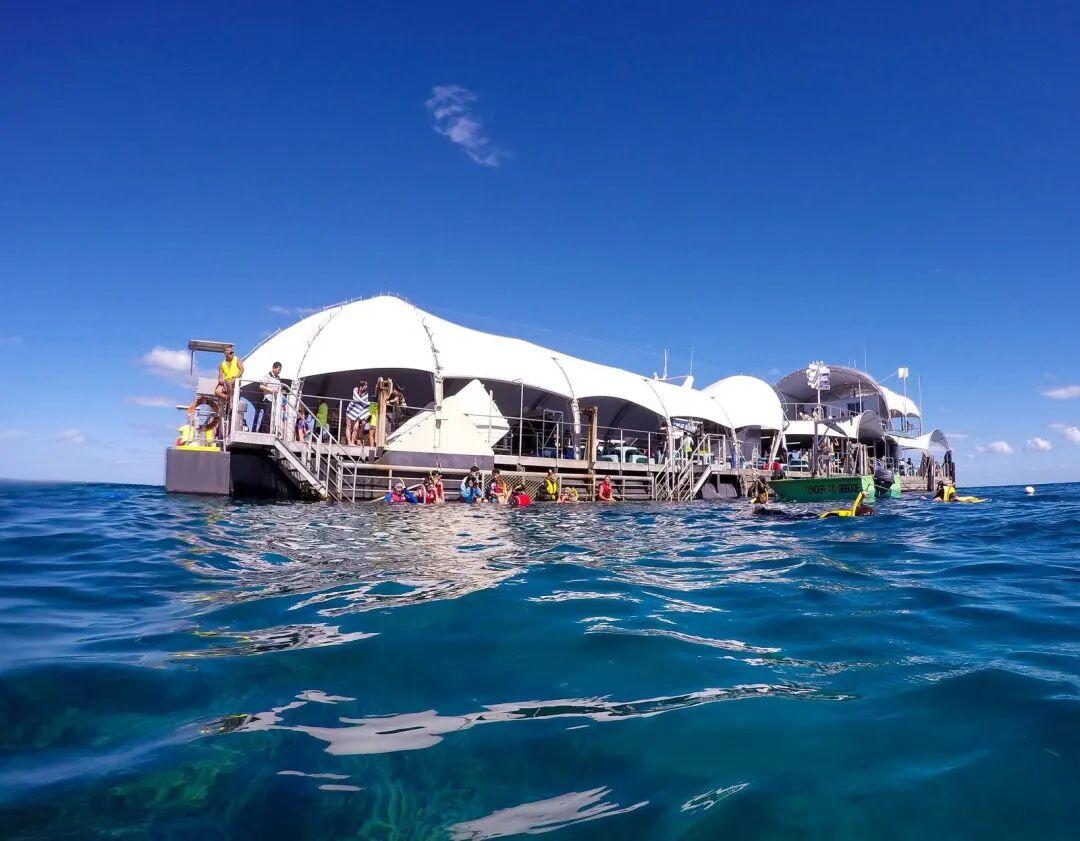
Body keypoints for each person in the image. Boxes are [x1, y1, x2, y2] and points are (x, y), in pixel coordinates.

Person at [256, 362, 283, 433]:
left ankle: (261, 431)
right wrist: (271, 390)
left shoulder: (278, 378)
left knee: (271, 416)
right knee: (267, 416)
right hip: (268, 398)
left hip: (275, 400)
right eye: (278, 369)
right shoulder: (267, 376)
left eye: (280, 370)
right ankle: (265, 431)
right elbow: (261, 386)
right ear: (274, 368)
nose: (279, 371)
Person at [345, 381, 370, 447]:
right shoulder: (355, 389)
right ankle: (349, 442)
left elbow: (365, 403)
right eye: (365, 385)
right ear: (361, 386)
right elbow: (356, 398)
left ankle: (352, 442)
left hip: (359, 411)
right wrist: (364, 402)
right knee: (349, 425)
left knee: (356, 427)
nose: (366, 386)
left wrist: (367, 404)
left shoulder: (366, 393)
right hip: (351, 409)